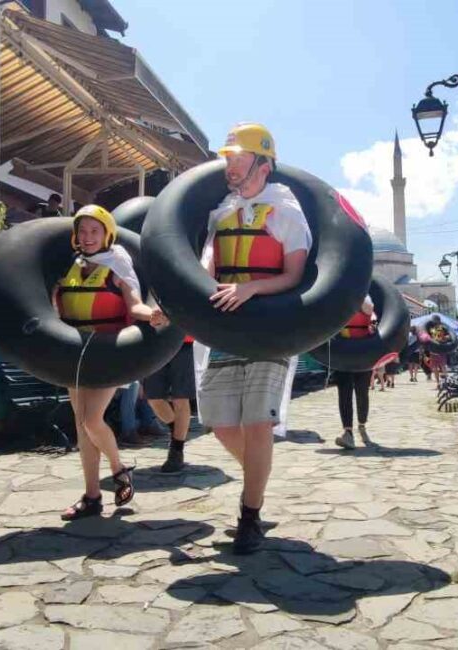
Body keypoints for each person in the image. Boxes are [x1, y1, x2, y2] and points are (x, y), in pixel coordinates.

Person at [152, 123, 310, 554]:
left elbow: (295, 275)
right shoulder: (221, 211)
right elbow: (206, 268)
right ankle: (257, 481)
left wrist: (252, 289)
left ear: (263, 163)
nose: (230, 167)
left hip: (269, 328)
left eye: (238, 159)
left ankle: (249, 514)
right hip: (225, 328)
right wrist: (177, 306)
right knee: (221, 426)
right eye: (228, 159)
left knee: (257, 422)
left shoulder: (286, 212)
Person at [54, 205, 155, 520]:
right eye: (82, 231)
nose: (87, 237)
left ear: (107, 233)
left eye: (94, 231)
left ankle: (118, 468)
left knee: (90, 420)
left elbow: (135, 305)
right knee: (82, 427)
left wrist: (153, 314)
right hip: (75, 353)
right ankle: (92, 497)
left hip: (109, 352)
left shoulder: (118, 263)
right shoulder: (71, 267)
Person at [143, 333, 196, 473]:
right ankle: (176, 430)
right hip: (154, 342)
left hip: (184, 341)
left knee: (181, 397)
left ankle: (177, 450)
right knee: (153, 397)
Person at [333, 296, 375, 450]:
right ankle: (348, 432)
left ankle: (362, 424)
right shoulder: (337, 300)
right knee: (344, 393)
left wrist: (357, 291)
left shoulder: (365, 297)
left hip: (362, 353)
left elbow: (369, 309)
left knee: (362, 392)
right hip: (343, 352)